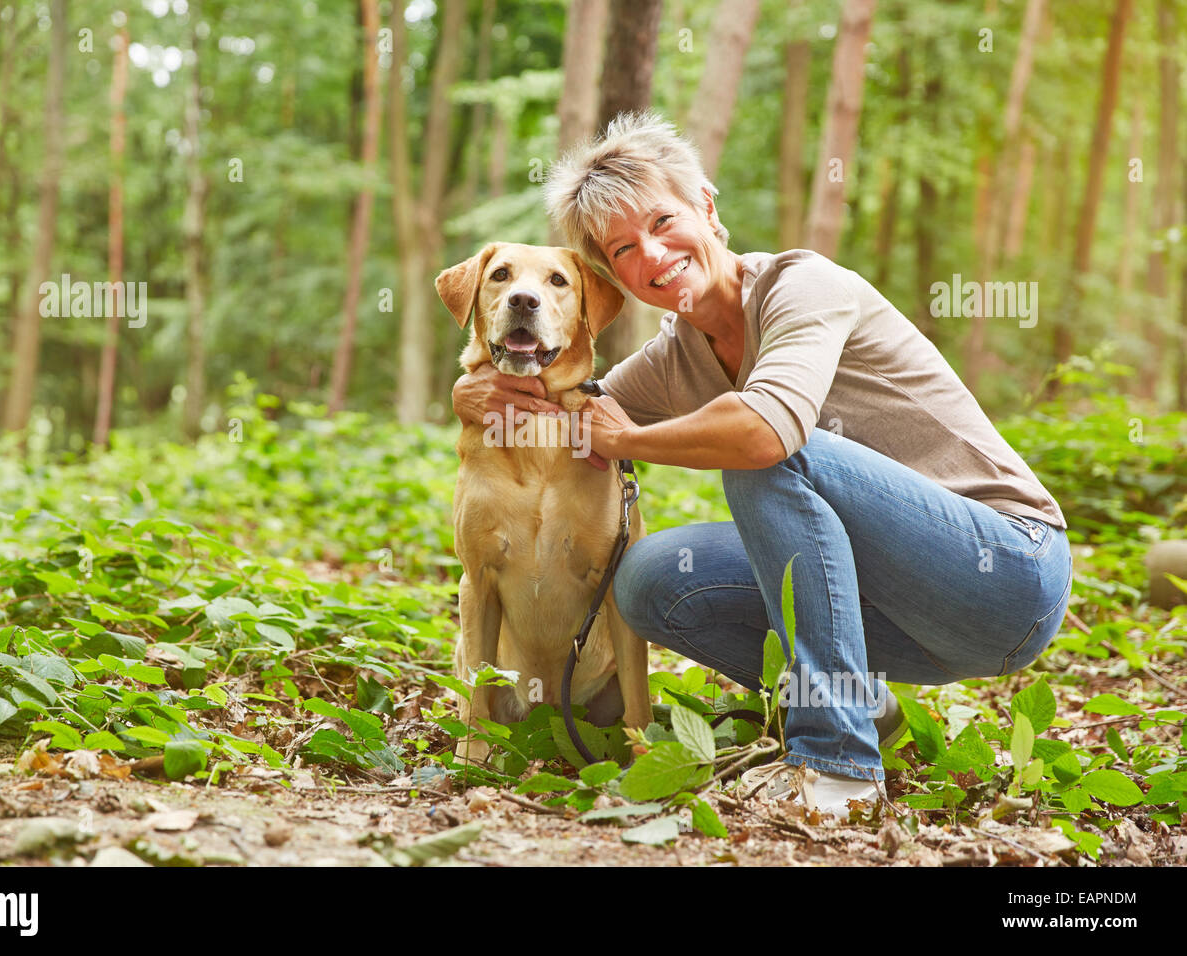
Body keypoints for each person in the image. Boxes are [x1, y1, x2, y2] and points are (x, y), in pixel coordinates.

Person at [450, 111, 1072, 818]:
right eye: (623, 248)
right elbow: (572, 412)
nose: (651, 256)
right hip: (904, 617)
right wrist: (472, 390)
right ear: (612, 274)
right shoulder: (675, 355)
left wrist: (627, 442)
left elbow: (762, 432)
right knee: (652, 580)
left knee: (765, 449)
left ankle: (838, 764)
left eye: (662, 223)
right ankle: (863, 703)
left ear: (707, 209)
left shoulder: (803, 286)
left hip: (1007, 570)